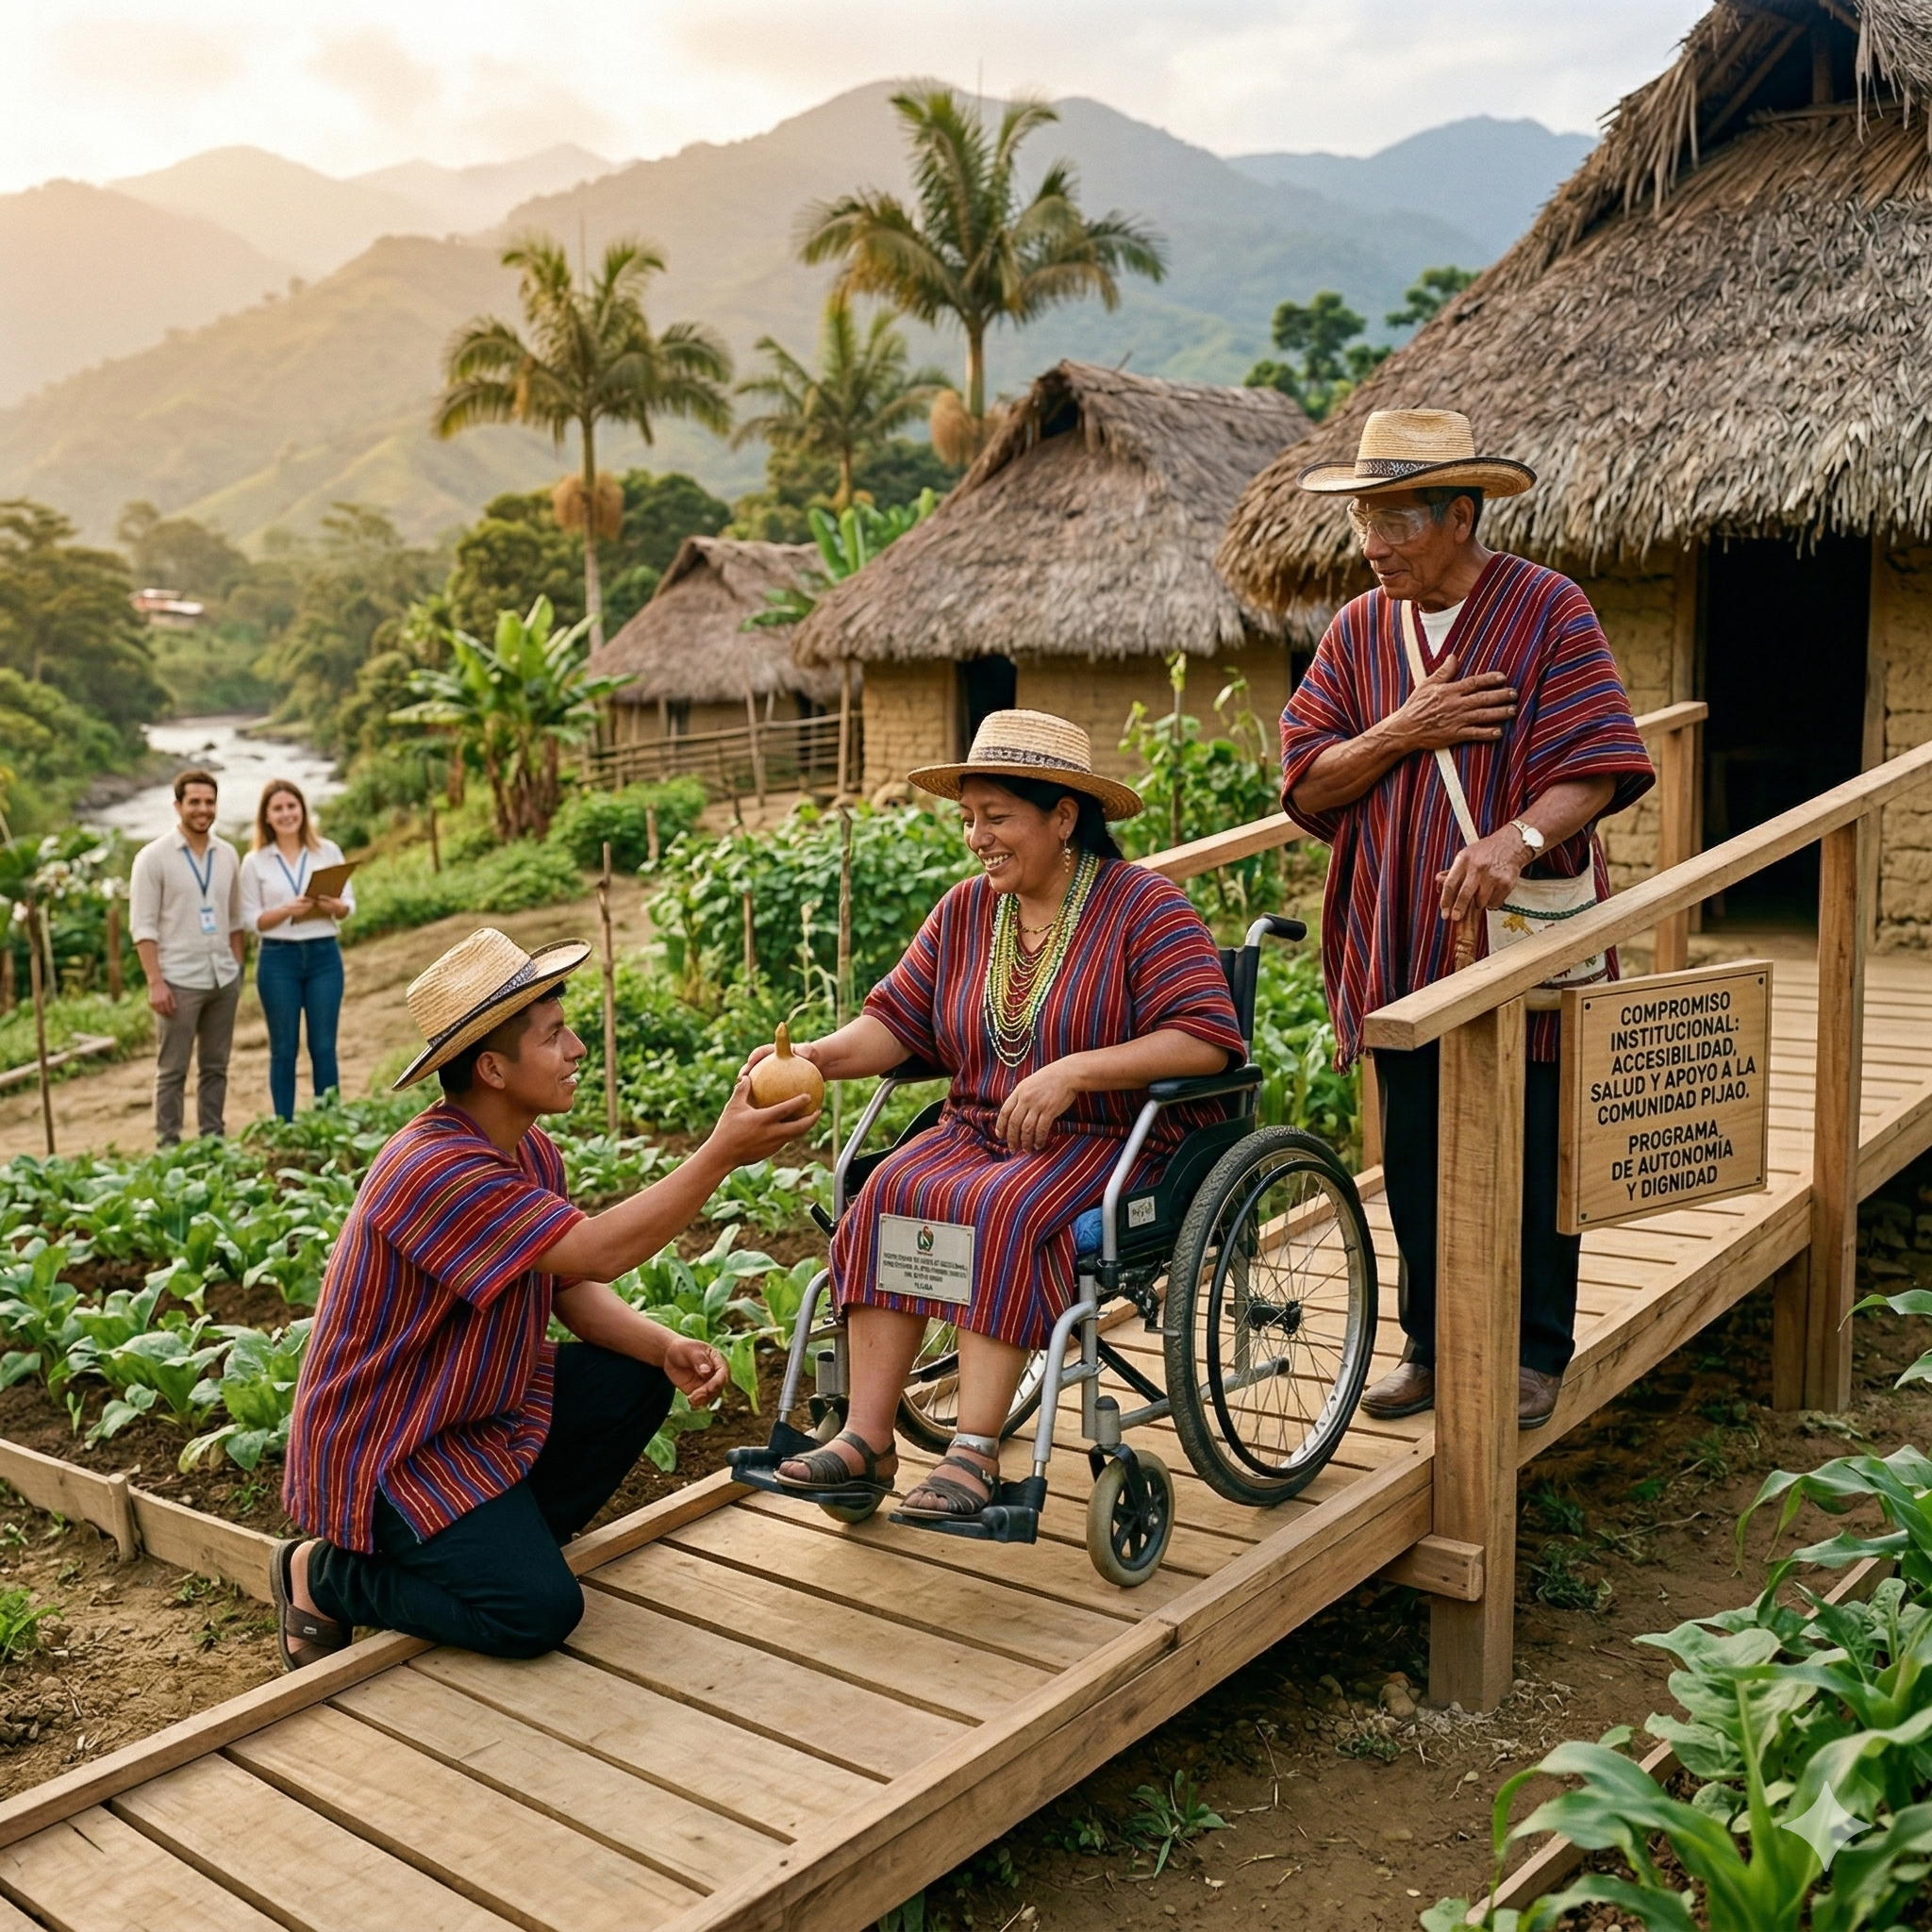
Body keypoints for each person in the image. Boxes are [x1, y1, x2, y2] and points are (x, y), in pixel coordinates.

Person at [274, 926, 819, 1670]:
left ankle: (500, 1544)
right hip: (392, 1445)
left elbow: (567, 1283)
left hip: (468, 1409)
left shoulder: (527, 1149)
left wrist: (662, 1346)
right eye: (554, 1037)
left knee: (633, 1378)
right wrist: (719, 1150)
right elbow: (600, 1250)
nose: (578, 1051)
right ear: (493, 1068)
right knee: (536, 1614)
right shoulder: (435, 1169)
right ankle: (325, 1577)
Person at [757, 710, 1245, 1524]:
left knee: (998, 1209)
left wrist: (1074, 1073)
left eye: (997, 817)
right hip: (980, 1129)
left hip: (1112, 1136)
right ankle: (867, 1439)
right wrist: (811, 1056)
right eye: (969, 818)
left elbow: (1204, 1039)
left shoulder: (1143, 906)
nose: (977, 837)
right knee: (883, 1193)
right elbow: (896, 1021)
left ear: (1062, 816)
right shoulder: (965, 912)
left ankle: (974, 1453)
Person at [1278, 408, 1655, 1429]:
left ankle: (1536, 1349)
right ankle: (1430, 1345)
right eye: (1361, 520)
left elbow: (1599, 760)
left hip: (1526, 925)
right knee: (1413, 1150)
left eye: (1393, 520)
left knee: (1534, 1138)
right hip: (1400, 927)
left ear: (1458, 512)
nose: (1372, 546)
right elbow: (1307, 780)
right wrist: (1403, 728)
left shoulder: (1545, 609)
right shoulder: (1359, 630)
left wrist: (1514, 841)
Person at [127, 768, 244, 1147]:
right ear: (177, 805)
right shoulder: (152, 858)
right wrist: (155, 981)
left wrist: (237, 970)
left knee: (216, 1067)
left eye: (209, 802)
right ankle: (169, 1147)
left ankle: (213, 1139)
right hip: (177, 981)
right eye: (194, 802)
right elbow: (143, 928)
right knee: (172, 1070)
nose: (203, 809)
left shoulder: (226, 854)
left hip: (221, 978)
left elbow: (235, 919)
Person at [241, 778, 354, 1121]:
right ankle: (284, 1123)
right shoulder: (255, 862)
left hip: (323, 956)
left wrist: (334, 906)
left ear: (303, 810)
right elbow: (250, 920)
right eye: (278, 808)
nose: (287, 814)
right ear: (267, 817)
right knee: (283, 1049)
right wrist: (287, 911)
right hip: (278, 959)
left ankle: (329, 1119)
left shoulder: (328, 851)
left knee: (323, 1047)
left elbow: (349, 905)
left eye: (292, 806)